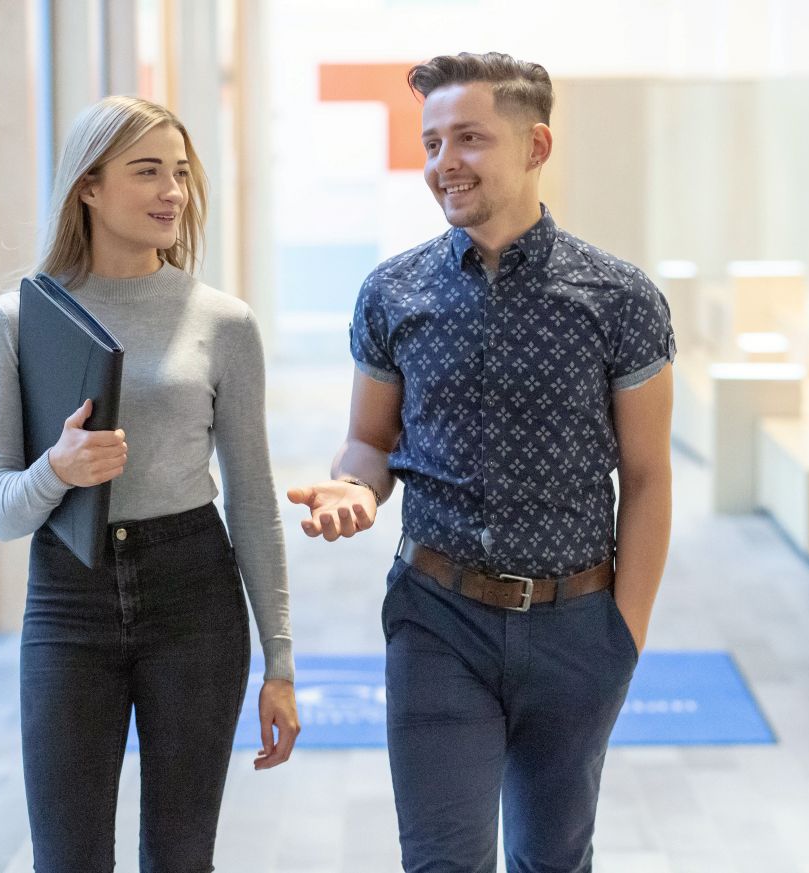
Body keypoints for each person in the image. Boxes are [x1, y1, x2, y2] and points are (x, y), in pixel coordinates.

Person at [288, 52, 675, 872]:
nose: (442, 164)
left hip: (577, 626)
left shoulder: (620, 299)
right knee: (442, 861)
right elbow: (369, 439)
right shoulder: (393, 292)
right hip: (437, 619)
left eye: (467, 138)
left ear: (535, 146)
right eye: (431, 142)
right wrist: (354, 486)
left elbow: (647, 476)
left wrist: (623, 633)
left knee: (552, 859)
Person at [0, 95, 299, 872]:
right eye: (147, 171)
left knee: (181, 857)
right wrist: (58, 469)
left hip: (194, 593)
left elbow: (252, 498)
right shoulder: (17, 320)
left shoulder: (223, 322)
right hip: (67, 599)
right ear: (87, 186)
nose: (172, 194)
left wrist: (280, 662)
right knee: (68, 857)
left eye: (180, 174)